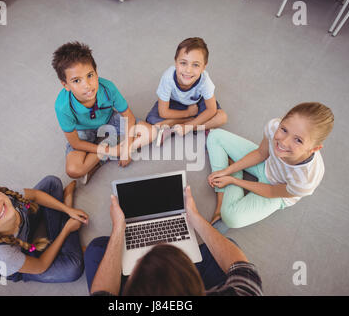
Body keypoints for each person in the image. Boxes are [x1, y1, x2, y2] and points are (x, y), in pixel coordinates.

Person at [84, 186, 263, 296]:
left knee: (96, 248)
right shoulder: (245, 292)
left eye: (139, 262)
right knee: (227, 244)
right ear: (196, 281)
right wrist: (195, 218)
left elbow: (102, 293)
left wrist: (118, 229)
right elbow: (241, 268)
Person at [207, 102, 334, 233]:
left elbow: (272, 192)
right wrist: (227, 171)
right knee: (215, 136)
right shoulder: (273, 126)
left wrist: (234, 180)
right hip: (266, 163)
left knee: (231, 218)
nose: (283, 142)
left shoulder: (306, 180)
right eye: (284, 130)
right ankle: (222, 195)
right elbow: (261, 153)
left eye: (298, 140)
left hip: (276, 192)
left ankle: (232, 174)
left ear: (314, 149)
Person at [52, 41, 157, 183]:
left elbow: (129, 118)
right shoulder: (62, 106)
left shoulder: (108, 88)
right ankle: (110, 149)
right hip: (83, 131)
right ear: (65, 85)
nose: (87, 85)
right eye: (77, 81)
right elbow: (76, 143)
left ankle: (101, 160)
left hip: (109, 120)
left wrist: (126, 149)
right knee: (74, 170)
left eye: (90, 75)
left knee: (151, 132)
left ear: (96, 72)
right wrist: (114, 151)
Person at [145, 37, 227, 145]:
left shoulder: (205, 81)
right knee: (151, 120)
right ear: (176, 62)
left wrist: (188, 127)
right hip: (175, 103)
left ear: (203, 67)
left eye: (196, 65)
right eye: (183, 63)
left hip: (197, 104)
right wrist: (187, 113)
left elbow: (211, 110)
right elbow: (163, 112)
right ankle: (197, 123)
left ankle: (182, 127)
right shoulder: (168, 78)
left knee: (222, 117)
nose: (188, 70)